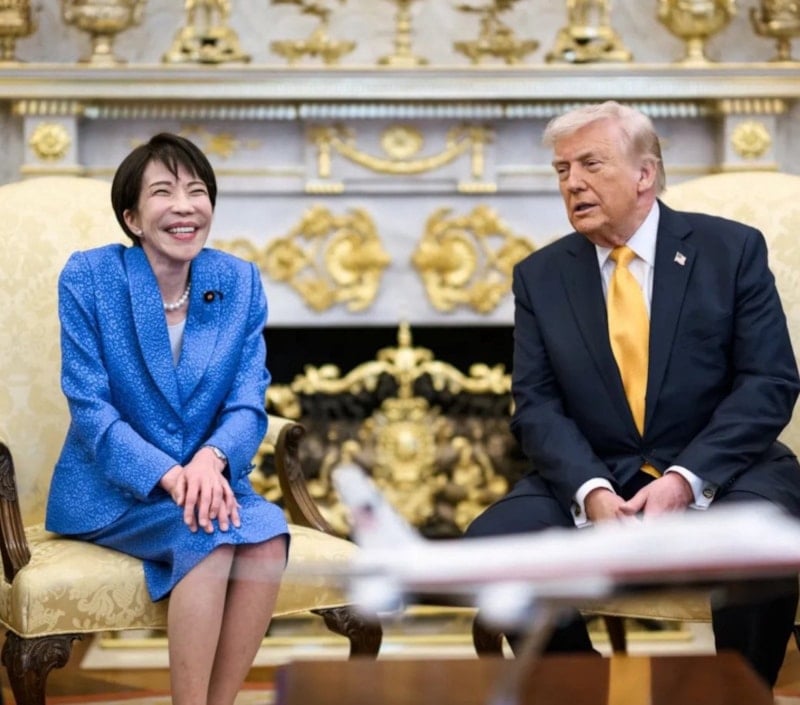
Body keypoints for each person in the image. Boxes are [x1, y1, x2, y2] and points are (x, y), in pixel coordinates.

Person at [465, 100, 800, 687]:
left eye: (590, 164)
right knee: (495, 544)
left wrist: (684, 480)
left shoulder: (730, 251)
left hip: (724, 471)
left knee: (759, 542)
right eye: (562, 170)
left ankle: (738, 696)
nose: (572, 183)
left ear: (645, 174)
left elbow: (768, 381)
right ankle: (582, 692)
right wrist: (590, 490)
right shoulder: (540, 276)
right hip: (598, 473)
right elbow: (536, 406)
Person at [45, 132, 288, 705]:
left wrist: (211, 459)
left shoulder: (238, 281)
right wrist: (172, 476)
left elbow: (248, 401)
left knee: (268, 537)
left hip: (208, 479)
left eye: (197, 191)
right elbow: (91, 408)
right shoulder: (89, 278)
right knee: (210, 536)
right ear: (132, 218)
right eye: (163, 192)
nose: (185, 207)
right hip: (115, 490)